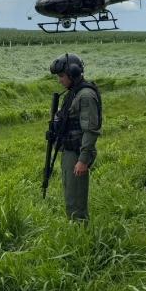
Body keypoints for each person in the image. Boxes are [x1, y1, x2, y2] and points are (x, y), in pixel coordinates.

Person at [50, 53, 102, 221]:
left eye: (62, 76)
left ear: (73, 73)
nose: (60, 80)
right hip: (70, 150)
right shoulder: (73, 93)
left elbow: (91, 130)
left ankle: (81, 236)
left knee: (76, 200)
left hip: (78, 153)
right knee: (70, 194)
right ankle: (75, 230)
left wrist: (83, 159)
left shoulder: (85, 95)